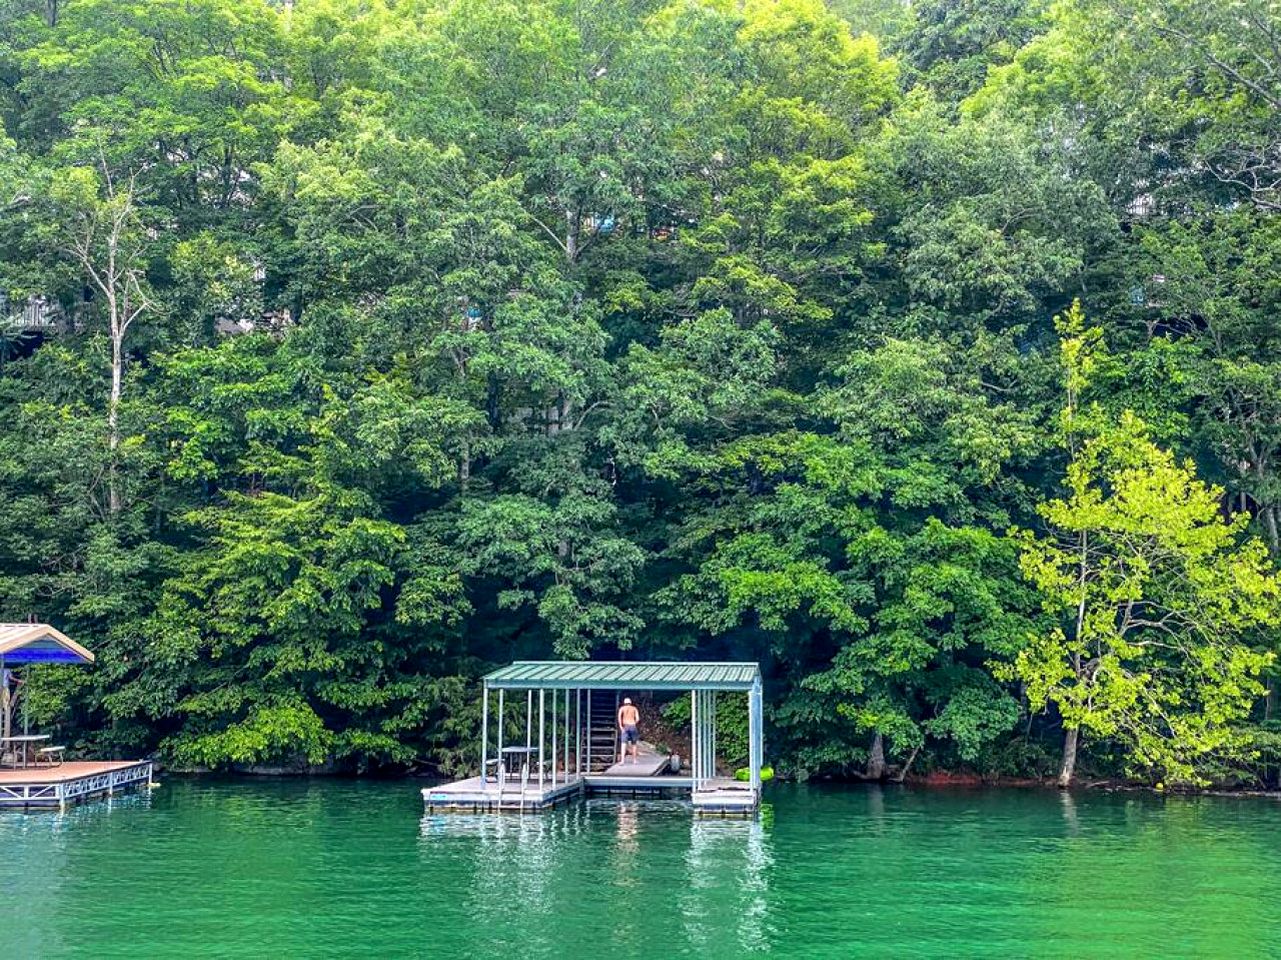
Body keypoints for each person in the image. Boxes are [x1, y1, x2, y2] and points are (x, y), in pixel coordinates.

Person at [617, 697, 640, 764]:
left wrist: (621, 726)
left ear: (624, 702)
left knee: (623, 744)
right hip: (633, 725)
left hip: (625, 726)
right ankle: (634, 760)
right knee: (634, 744)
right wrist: (634, 723)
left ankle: (622, 761)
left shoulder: (622, 708)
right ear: (630, 702)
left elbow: (619, 717)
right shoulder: (634, 708)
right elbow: (638, 718)